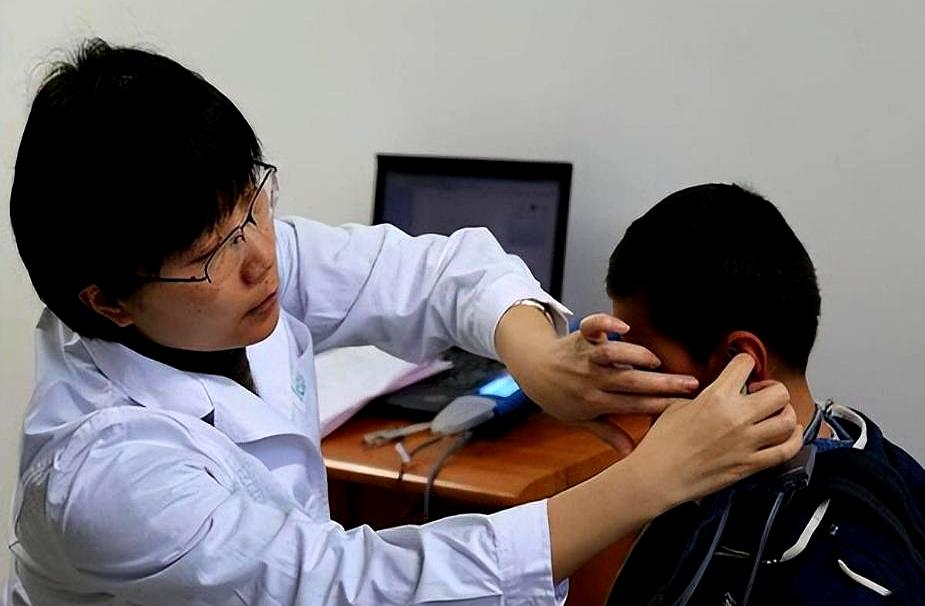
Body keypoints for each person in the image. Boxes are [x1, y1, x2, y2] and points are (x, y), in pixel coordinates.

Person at [4, 40, 802, 606]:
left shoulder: (235, 267)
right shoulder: (106, 479)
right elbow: (349, 587)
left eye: (254, 201)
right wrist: (643, 484)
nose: (262, 259)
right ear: (108, 301)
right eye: (213, 251)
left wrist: (539, 358)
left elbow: (431, 274)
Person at [603, 184, 925, 605]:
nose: (632, 383)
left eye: (650, 364)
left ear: (741, 361)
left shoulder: (847, 580)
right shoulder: (869, 451)